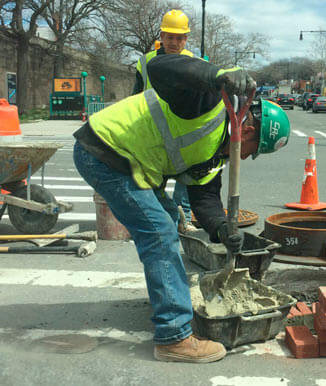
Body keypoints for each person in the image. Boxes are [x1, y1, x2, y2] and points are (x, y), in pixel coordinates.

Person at [73, 54, 291, 363]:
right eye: (252, 152)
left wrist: (219, 228)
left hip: (131, 163)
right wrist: (217, 75)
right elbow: (159, 68)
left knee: (167, 219)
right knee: (160, 234)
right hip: (106, 150)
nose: (243, 159)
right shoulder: (207, 103)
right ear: (249, 131)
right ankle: (173, 337)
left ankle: (166, 298)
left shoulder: (215, 156)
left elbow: (204, 200)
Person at [133, 9, 196, 230]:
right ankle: (166, 217)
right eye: (170, 36)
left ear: (186, 39)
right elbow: (135, 98)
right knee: (153, 182)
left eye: (179, 38)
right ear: (161, 36)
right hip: (152, 133)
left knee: (185, 178)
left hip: (182, 131)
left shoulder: (193, 62)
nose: (174, 42)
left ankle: (183, 219)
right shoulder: (145, 62)